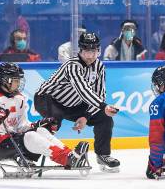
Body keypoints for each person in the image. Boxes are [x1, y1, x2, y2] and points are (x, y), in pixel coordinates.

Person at [0, 62, 89, 167]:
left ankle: (70, 155)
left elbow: (21, 126)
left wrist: (37, 125)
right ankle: (66, 159)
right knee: (30, 137)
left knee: (41, 131)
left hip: (12, 140)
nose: (18, 84)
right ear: (5, 80)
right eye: (15, 80)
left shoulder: (19, 99)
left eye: (19, 80)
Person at [35, 33, 120, 172]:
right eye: (87, 51)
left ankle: (103, 155)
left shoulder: (99, 66)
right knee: (54, 121)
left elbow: (99, 94)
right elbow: (83, 89)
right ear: (80, 50)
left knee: (104, 117)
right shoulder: (72, 65)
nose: (91, 56)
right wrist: (103, 106)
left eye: (94, 51)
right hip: (47, 98)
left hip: (73, 104)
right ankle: (31, 155)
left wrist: (86, 116)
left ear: (98, 50)